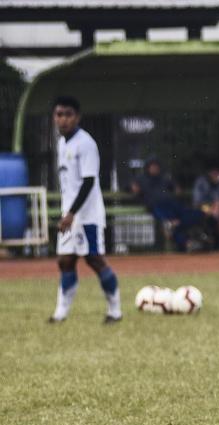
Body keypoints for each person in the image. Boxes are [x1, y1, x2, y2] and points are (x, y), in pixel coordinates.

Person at [49, 96, 122, 324]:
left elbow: (89, 182)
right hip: (70, 214)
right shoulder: (62, 143)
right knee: (65, 261)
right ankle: (60, 313)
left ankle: (115, 311)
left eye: (68, 114)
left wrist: (71, 214)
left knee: (94, 259)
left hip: (86, 214)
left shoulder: (86, 143)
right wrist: (67, 213)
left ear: (77, 117)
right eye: (59, 114)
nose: (63, 119)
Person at [131, 158, 199, 252]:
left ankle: (176, 226)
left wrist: (176, 189)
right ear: (148, 168)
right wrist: (135, 189)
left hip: (171, 203)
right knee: (169, 223)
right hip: (156, 206)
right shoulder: (141, 179)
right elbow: (131, 188)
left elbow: (176, 188)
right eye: (152, 167)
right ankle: (186, 242)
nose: (155, 169)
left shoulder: (163, 178)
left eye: (156, 166)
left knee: (195, 214)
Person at [192, 160, 219, 249]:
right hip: (201, 207)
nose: (216, 175)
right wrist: (211, 208)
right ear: (209, 173)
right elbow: (198, 202)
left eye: (217, 173)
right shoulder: (201, 181)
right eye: (214, 173)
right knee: (211, 213)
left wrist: (215, 207)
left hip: (215, 208)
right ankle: (209, 238)